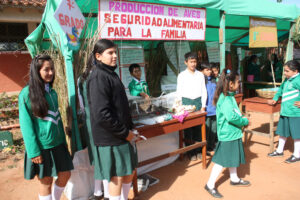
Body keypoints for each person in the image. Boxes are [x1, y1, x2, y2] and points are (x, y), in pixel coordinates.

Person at [86, 39, 138, 200]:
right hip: (111, 137)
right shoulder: (98, 77)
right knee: (116, 177)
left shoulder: (110, 73)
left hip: (121, 134)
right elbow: (102, 114)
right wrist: (125, 133)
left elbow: (120, 106)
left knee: (129, 172)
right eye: (110, 53)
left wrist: (131, 128)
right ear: (98, 56)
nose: (115, 56)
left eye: (115, 52)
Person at [19, 54, 73, 200]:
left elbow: (57, 118)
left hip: (58, 144)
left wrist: (63, 139)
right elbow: (26, 125)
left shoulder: (52, 92)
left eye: (52, 69)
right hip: (42, 147)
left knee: (65, 174)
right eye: (46, 70)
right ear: (37, 71)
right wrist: (33, 151)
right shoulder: (26, 94)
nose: (50, 73)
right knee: (46, 181)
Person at [205, 69, 250, 198]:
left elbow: (233, 113)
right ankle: (210, 184)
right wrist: (244, 121)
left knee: (232, 157)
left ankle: (234, 178)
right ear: (230, 84)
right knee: (222, 161)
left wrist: (241, 116)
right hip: (228, 134)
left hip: (232, 133)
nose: (239, 84)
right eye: (238, 82)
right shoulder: (225, 99)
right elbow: (231, 117)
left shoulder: (229, 96)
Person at [77, 60, 110, 200]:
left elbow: (81, 105)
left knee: (98, 157)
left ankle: (98, 191)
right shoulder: (99, 77)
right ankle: (107, 192)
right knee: (104, 156)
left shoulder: (81, 78)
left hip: (89, 120)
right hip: (100, 121)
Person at [267, 60, 300, 163]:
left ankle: (297, 154)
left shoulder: (298, 80)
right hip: (285, 111)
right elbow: (280, 90)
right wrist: (275, 98)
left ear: (295, 71)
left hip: (295, 112)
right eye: (284, 71)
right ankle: (279, 151)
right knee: (283, 132)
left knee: (297, 134)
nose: (285, 73)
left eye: (287, 71)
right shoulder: (286, 80)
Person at [176, 52, 207, 161]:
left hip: (198, 102)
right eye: (191, 62)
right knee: (188, 128)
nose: (193, 64)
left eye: (195, 61)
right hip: (186, 102)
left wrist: (203, 106)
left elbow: (204, 90)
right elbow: (179, 92)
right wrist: (180, 106)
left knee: (199, 128)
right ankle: (190, 152)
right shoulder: (181, 75)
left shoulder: (200, 75)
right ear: (186, 62)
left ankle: (198, 150)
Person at [200, 62, 218, 153]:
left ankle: (211, 145)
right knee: (206, 129)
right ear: (201, 71)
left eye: (210, 69)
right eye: (207, 70)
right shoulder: (201, 81)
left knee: (214, 129)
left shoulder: (214, 80)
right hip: (206, 110)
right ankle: (205, 148)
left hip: (215, 109)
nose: (209, 71)